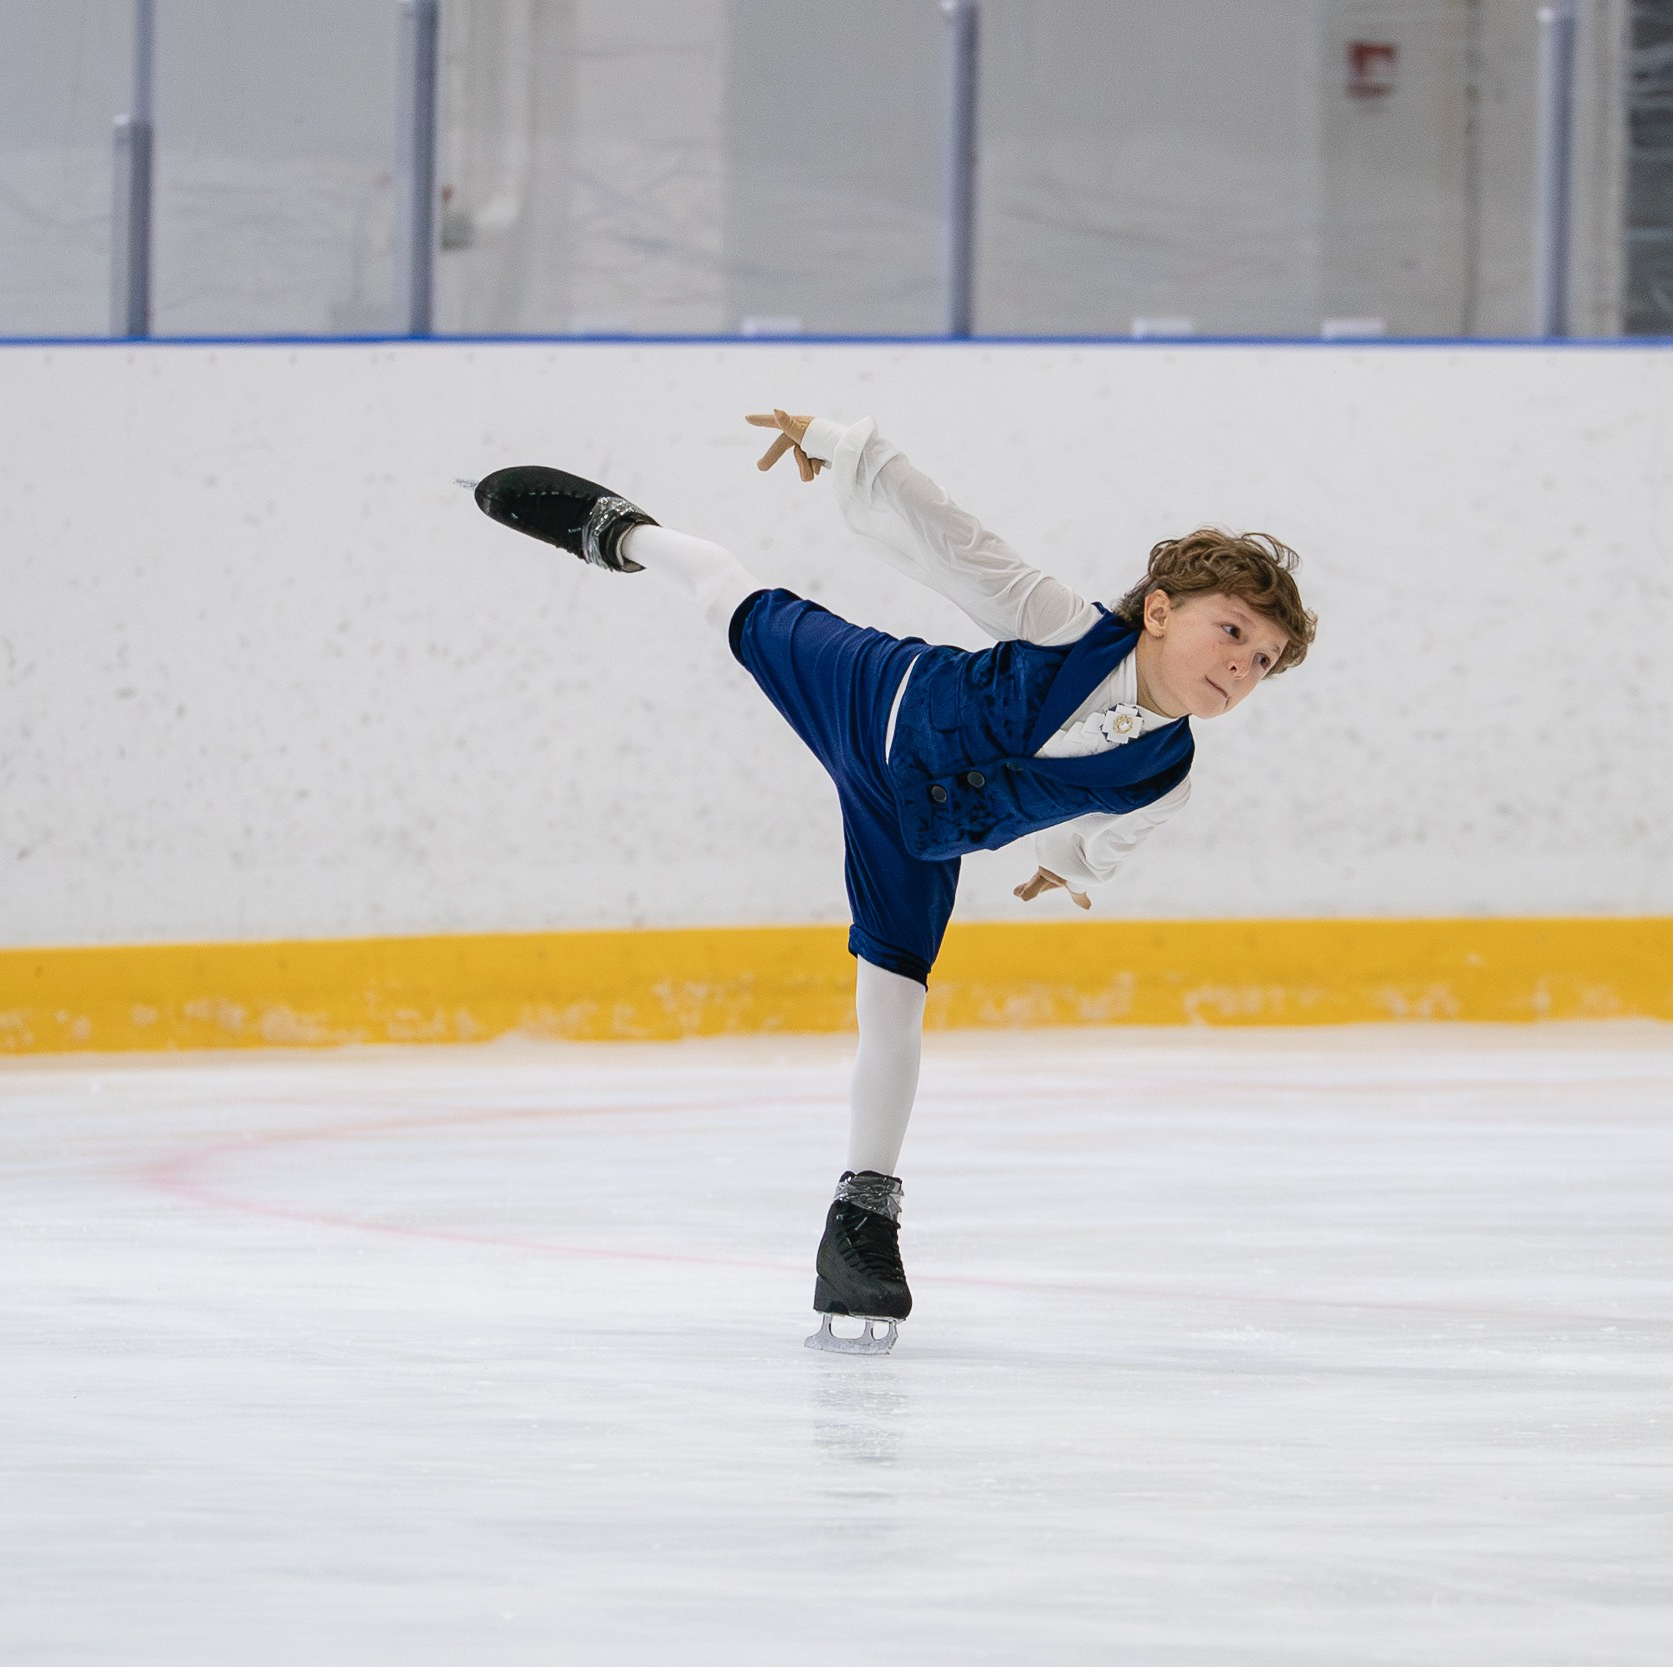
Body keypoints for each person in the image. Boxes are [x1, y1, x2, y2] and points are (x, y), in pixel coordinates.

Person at [471, 411, 1316, 1353]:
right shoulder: (1060, 627)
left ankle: (861, 1224)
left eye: (1263, 661)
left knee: (895, 1004)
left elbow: (1107, 835)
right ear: (1160, 611)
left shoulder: (1166, 777)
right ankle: (628, 533)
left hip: (913, 836)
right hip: (874, 698)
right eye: (1231, 631)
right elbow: (955, 542)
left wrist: (1060, 867)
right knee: (735, 599)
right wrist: (845, 447)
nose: (1241, 664)